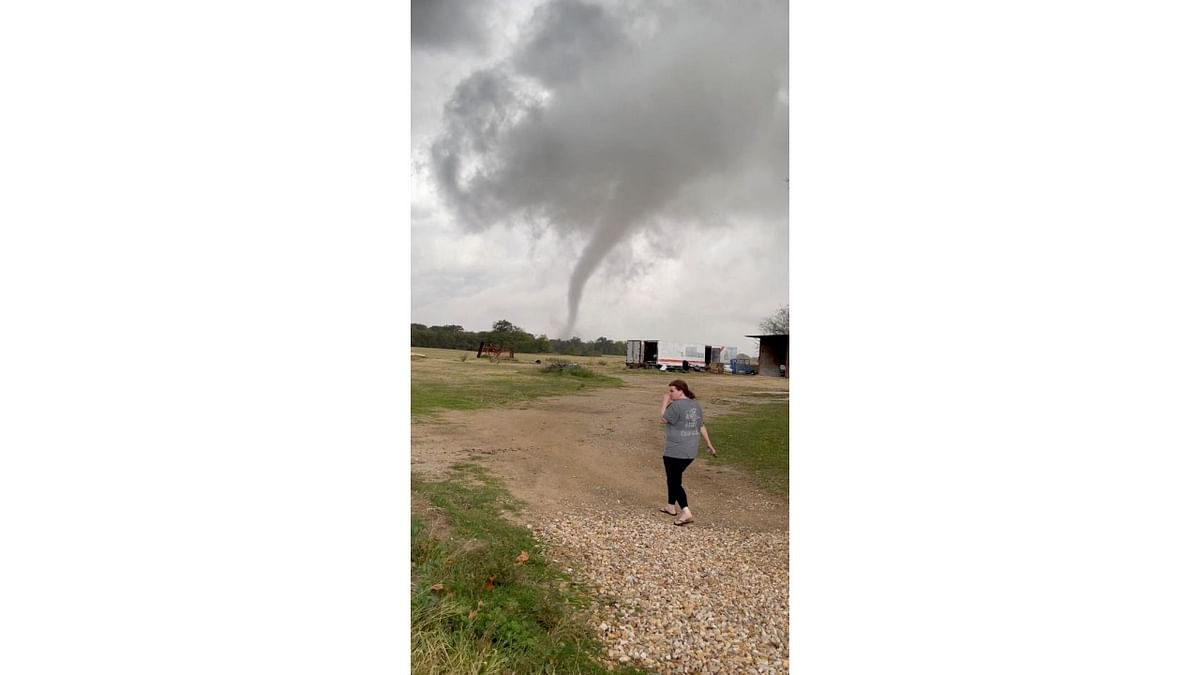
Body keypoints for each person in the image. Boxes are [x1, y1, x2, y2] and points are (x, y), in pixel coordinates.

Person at [657, 379, 717, 526]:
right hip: (690, 451)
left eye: (672, 391)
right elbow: (700, 426)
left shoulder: (675, 406)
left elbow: (663, 419)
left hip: (675, 451)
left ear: (680, 391)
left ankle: (686, 512)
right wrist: (709, 444)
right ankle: (671, 506)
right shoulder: (695, 405)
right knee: (673, 478)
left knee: (674, 481)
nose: (670, 394)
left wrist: (664, 402)